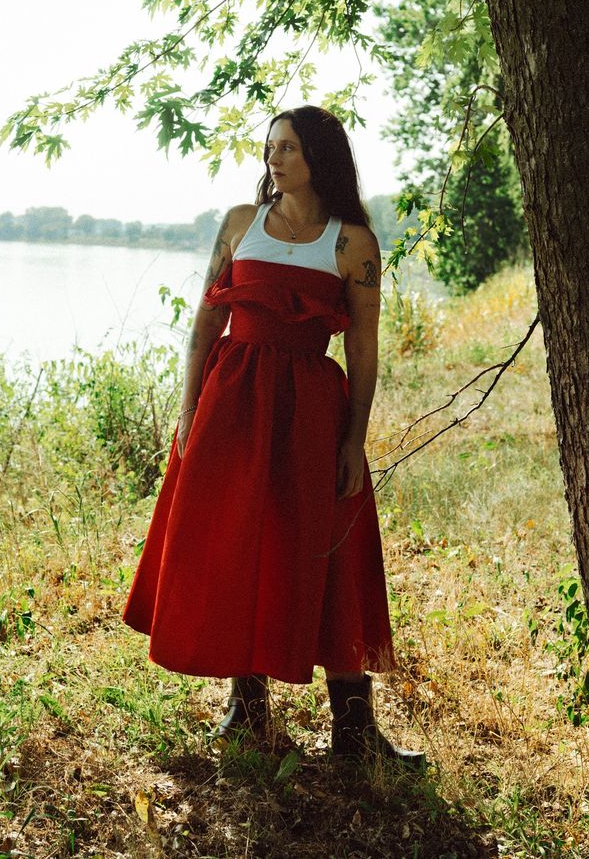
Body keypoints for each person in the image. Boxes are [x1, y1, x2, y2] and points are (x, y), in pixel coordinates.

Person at [122, 105, 424, 768]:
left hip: (313, 411)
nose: (273, 159)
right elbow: (204, 327)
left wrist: (354, 440)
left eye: (286, 147)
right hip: (234, 403)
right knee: (239, 543)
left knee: (325, 548)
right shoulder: (239, 224)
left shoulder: (352, 244)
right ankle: (246, 709)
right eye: (269, 148)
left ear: (318, 156)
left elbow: (365, 352)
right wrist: (188, 407)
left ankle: (354, 729)